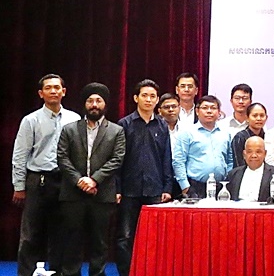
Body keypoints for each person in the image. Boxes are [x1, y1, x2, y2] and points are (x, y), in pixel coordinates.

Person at [12, 74, 81, 276]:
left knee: (62, 232)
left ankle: (59, 272)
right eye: (48, 88)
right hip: (38, 180)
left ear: (64, 91)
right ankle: (25, 272)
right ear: (41, 93)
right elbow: (20, 154)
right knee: (31, 234)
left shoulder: (74, 119)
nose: (53, 91)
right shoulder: (31, 120)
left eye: (57, 87)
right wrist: (19, 186)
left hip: (66, 181)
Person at [57, 82, 125, 276]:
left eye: (99, 100)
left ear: (105, 104)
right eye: (90, 100)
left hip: (102, 194)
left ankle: (97, 273)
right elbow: (62, 158)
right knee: (72, 240)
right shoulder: (69, 129)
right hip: (73, 194)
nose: (94, 104)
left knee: (100, 242)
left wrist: (94, 180)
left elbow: (117, 159)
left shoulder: (116, 131)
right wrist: (80, 181)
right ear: (84, 104)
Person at [115, 80, 173, 276]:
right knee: (125, 236)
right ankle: (126, 272)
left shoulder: (162, 125)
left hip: (155, 189)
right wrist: (117, 188)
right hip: (129, 189)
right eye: (144, 95)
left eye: (152, 96)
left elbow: (167, 158)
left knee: (155, 237)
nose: (148, 100)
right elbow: (117, 160)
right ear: (135, 98)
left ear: (157, 100)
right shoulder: (124, 124)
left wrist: (167, 187)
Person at [172, 95, 234, 198]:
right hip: (195, 186)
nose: (209, 111)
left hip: (220, 186)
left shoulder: (225, 133)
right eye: (205, 108)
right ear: (197, 111)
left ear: (219, 112)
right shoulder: (187, 133)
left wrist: (227, 181)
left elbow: (229, 160)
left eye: (213, 108)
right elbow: (178, 161)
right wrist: (185, 187)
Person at [225, 136, 274, 202]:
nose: (254, 155)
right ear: (244, 155)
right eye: (249, 152)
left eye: (258, 152)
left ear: (265, 154)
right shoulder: (233, 174)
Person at [230, 103, 267, 169]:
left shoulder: (268, 136)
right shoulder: (240, 137)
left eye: (262, 115)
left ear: (266, 118)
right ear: (247, 118)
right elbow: (238, 164)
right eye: (255, 116)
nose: (259, 119)